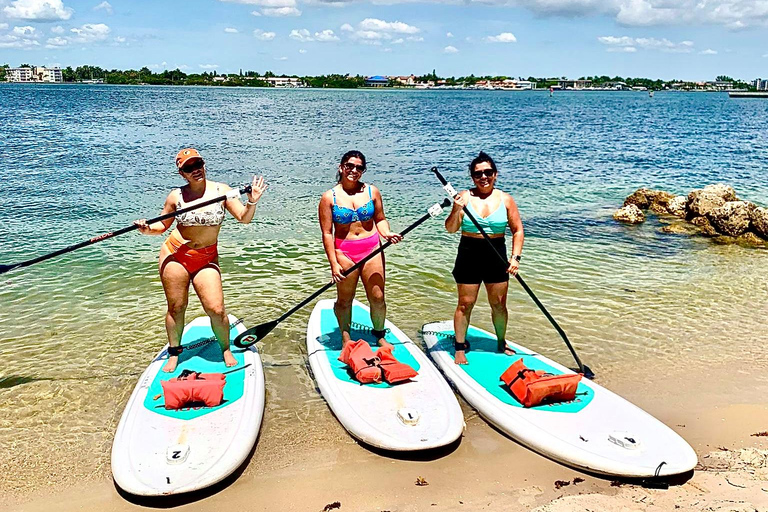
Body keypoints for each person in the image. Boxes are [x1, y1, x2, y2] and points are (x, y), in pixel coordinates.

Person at [134, 148, 267, 372]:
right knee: (176, 307)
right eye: (188, 168)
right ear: (182, 173)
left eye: (198, 164)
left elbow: (243, 218)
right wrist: (147, 229)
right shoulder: (176, 196)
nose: (195, 170)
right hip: (175, 255)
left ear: (204, 165)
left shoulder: (222, 191)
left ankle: (225, 348)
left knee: (216, 309)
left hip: (206, 258)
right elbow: (162, 225)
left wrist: (252, 202)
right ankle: (174, 352)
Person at [444, 151, 524, 365]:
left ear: (495, 174)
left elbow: (517, 230)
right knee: (465, 304)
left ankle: (501, 342)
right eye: (478, 173)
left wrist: (515, 258)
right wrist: (456, 209)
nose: (483, 177)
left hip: (496, 254)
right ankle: (459, 346)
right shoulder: (464, 197)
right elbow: (450, 229)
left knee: (499, 304)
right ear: (472, 177)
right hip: (469, 253)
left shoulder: (506, 199)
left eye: (488, 172)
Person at [318, 150, 403, 349]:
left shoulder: (372, 191)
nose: (354, 170)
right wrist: (333, 264)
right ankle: (346, 338)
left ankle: (379, 335)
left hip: (372, 248)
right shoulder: (328, 198)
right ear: (341, 167)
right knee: (345, 300)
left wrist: (387, 233)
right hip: (344, 252)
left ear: (363, 170)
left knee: (378, 297)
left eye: (359, 167)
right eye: (349, 166)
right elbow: (327, 233)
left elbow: (380, 219)